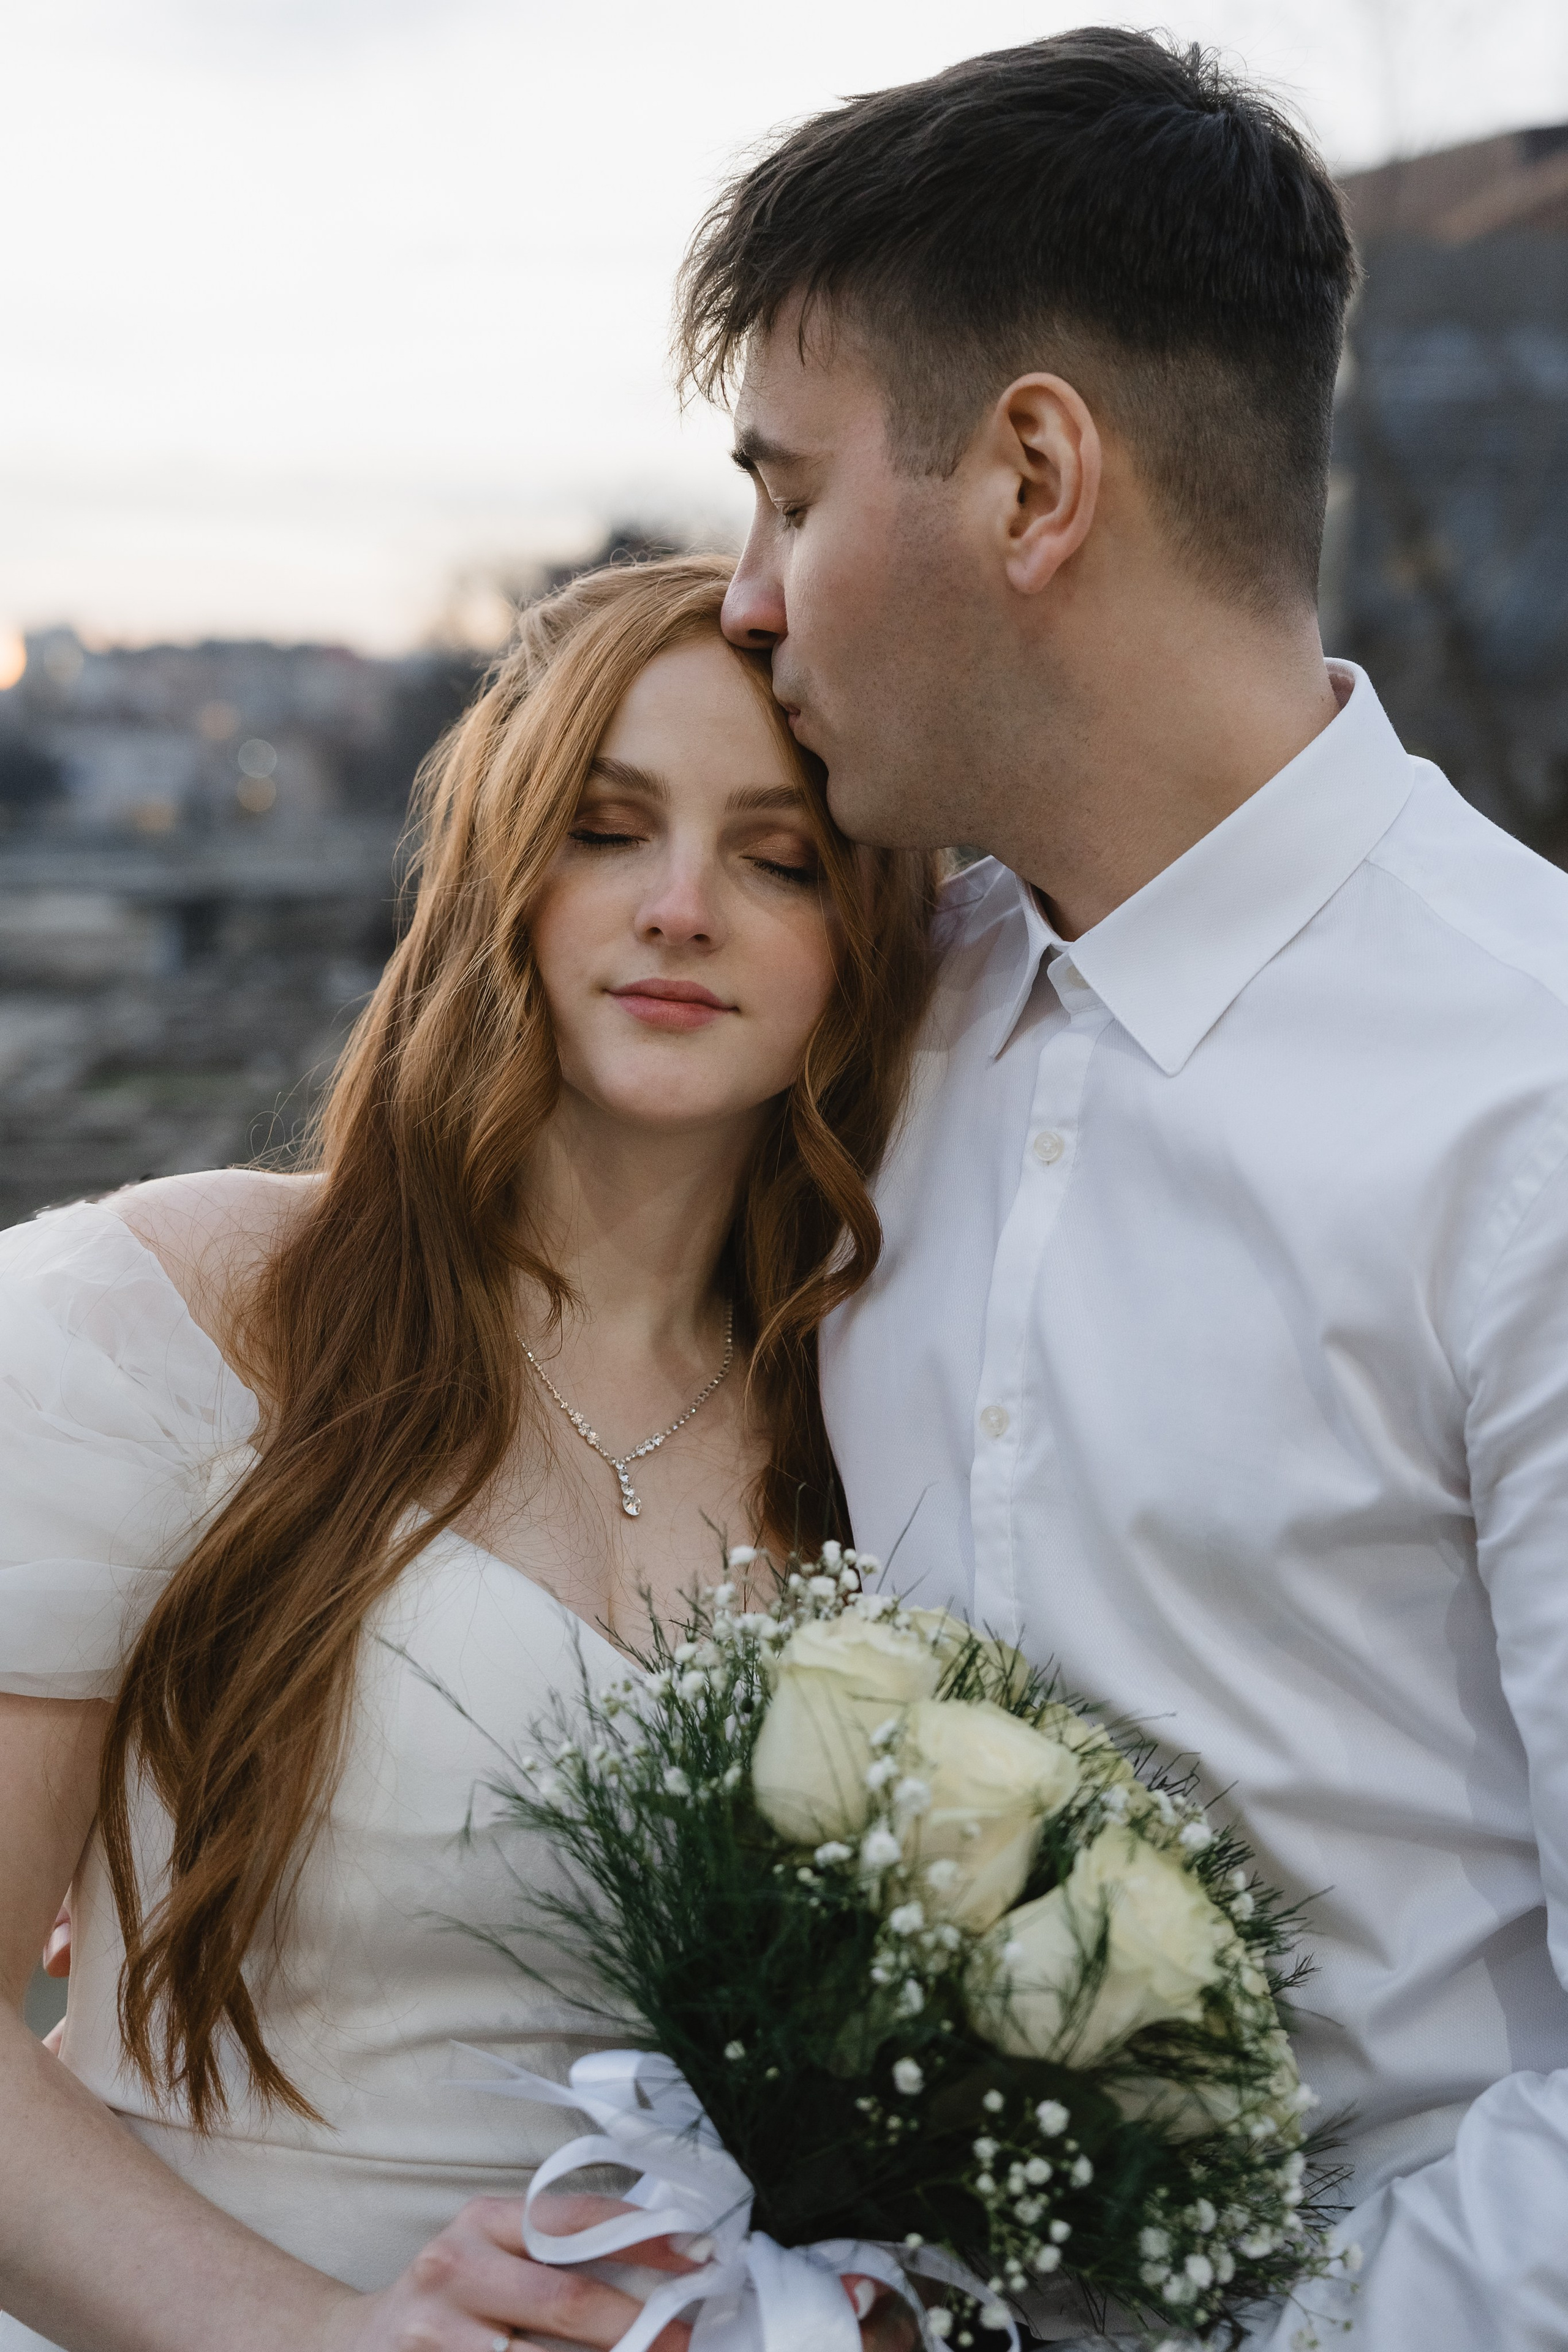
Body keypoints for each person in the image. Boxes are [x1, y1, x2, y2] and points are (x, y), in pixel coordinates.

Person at [680, 26, 1568, 2351]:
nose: (750, 599)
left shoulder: (1532, 1103)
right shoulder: (861, 1030)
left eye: (789, 496)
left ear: (1033, 480)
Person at [0, 556, 935, 2352]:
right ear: (503, 871)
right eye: (607, 830)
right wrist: (325, 2339)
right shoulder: (176, 1318)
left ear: (865, 932)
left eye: (778, 858)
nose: (680, 908)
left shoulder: (885, 1420)